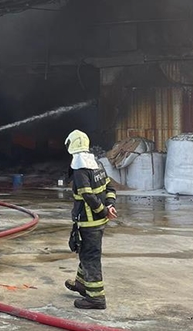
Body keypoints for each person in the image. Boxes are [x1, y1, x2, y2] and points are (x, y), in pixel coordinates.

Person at [63, 130, 117, 310]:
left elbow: (87, 195)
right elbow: (109, 187)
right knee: (87, 252)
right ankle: (81, 283)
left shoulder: (80, 170)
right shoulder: (97, 164)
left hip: (89, 222)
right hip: (99, 223)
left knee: (90, 257)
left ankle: (96, 298)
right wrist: (110, 205)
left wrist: (103, 211)